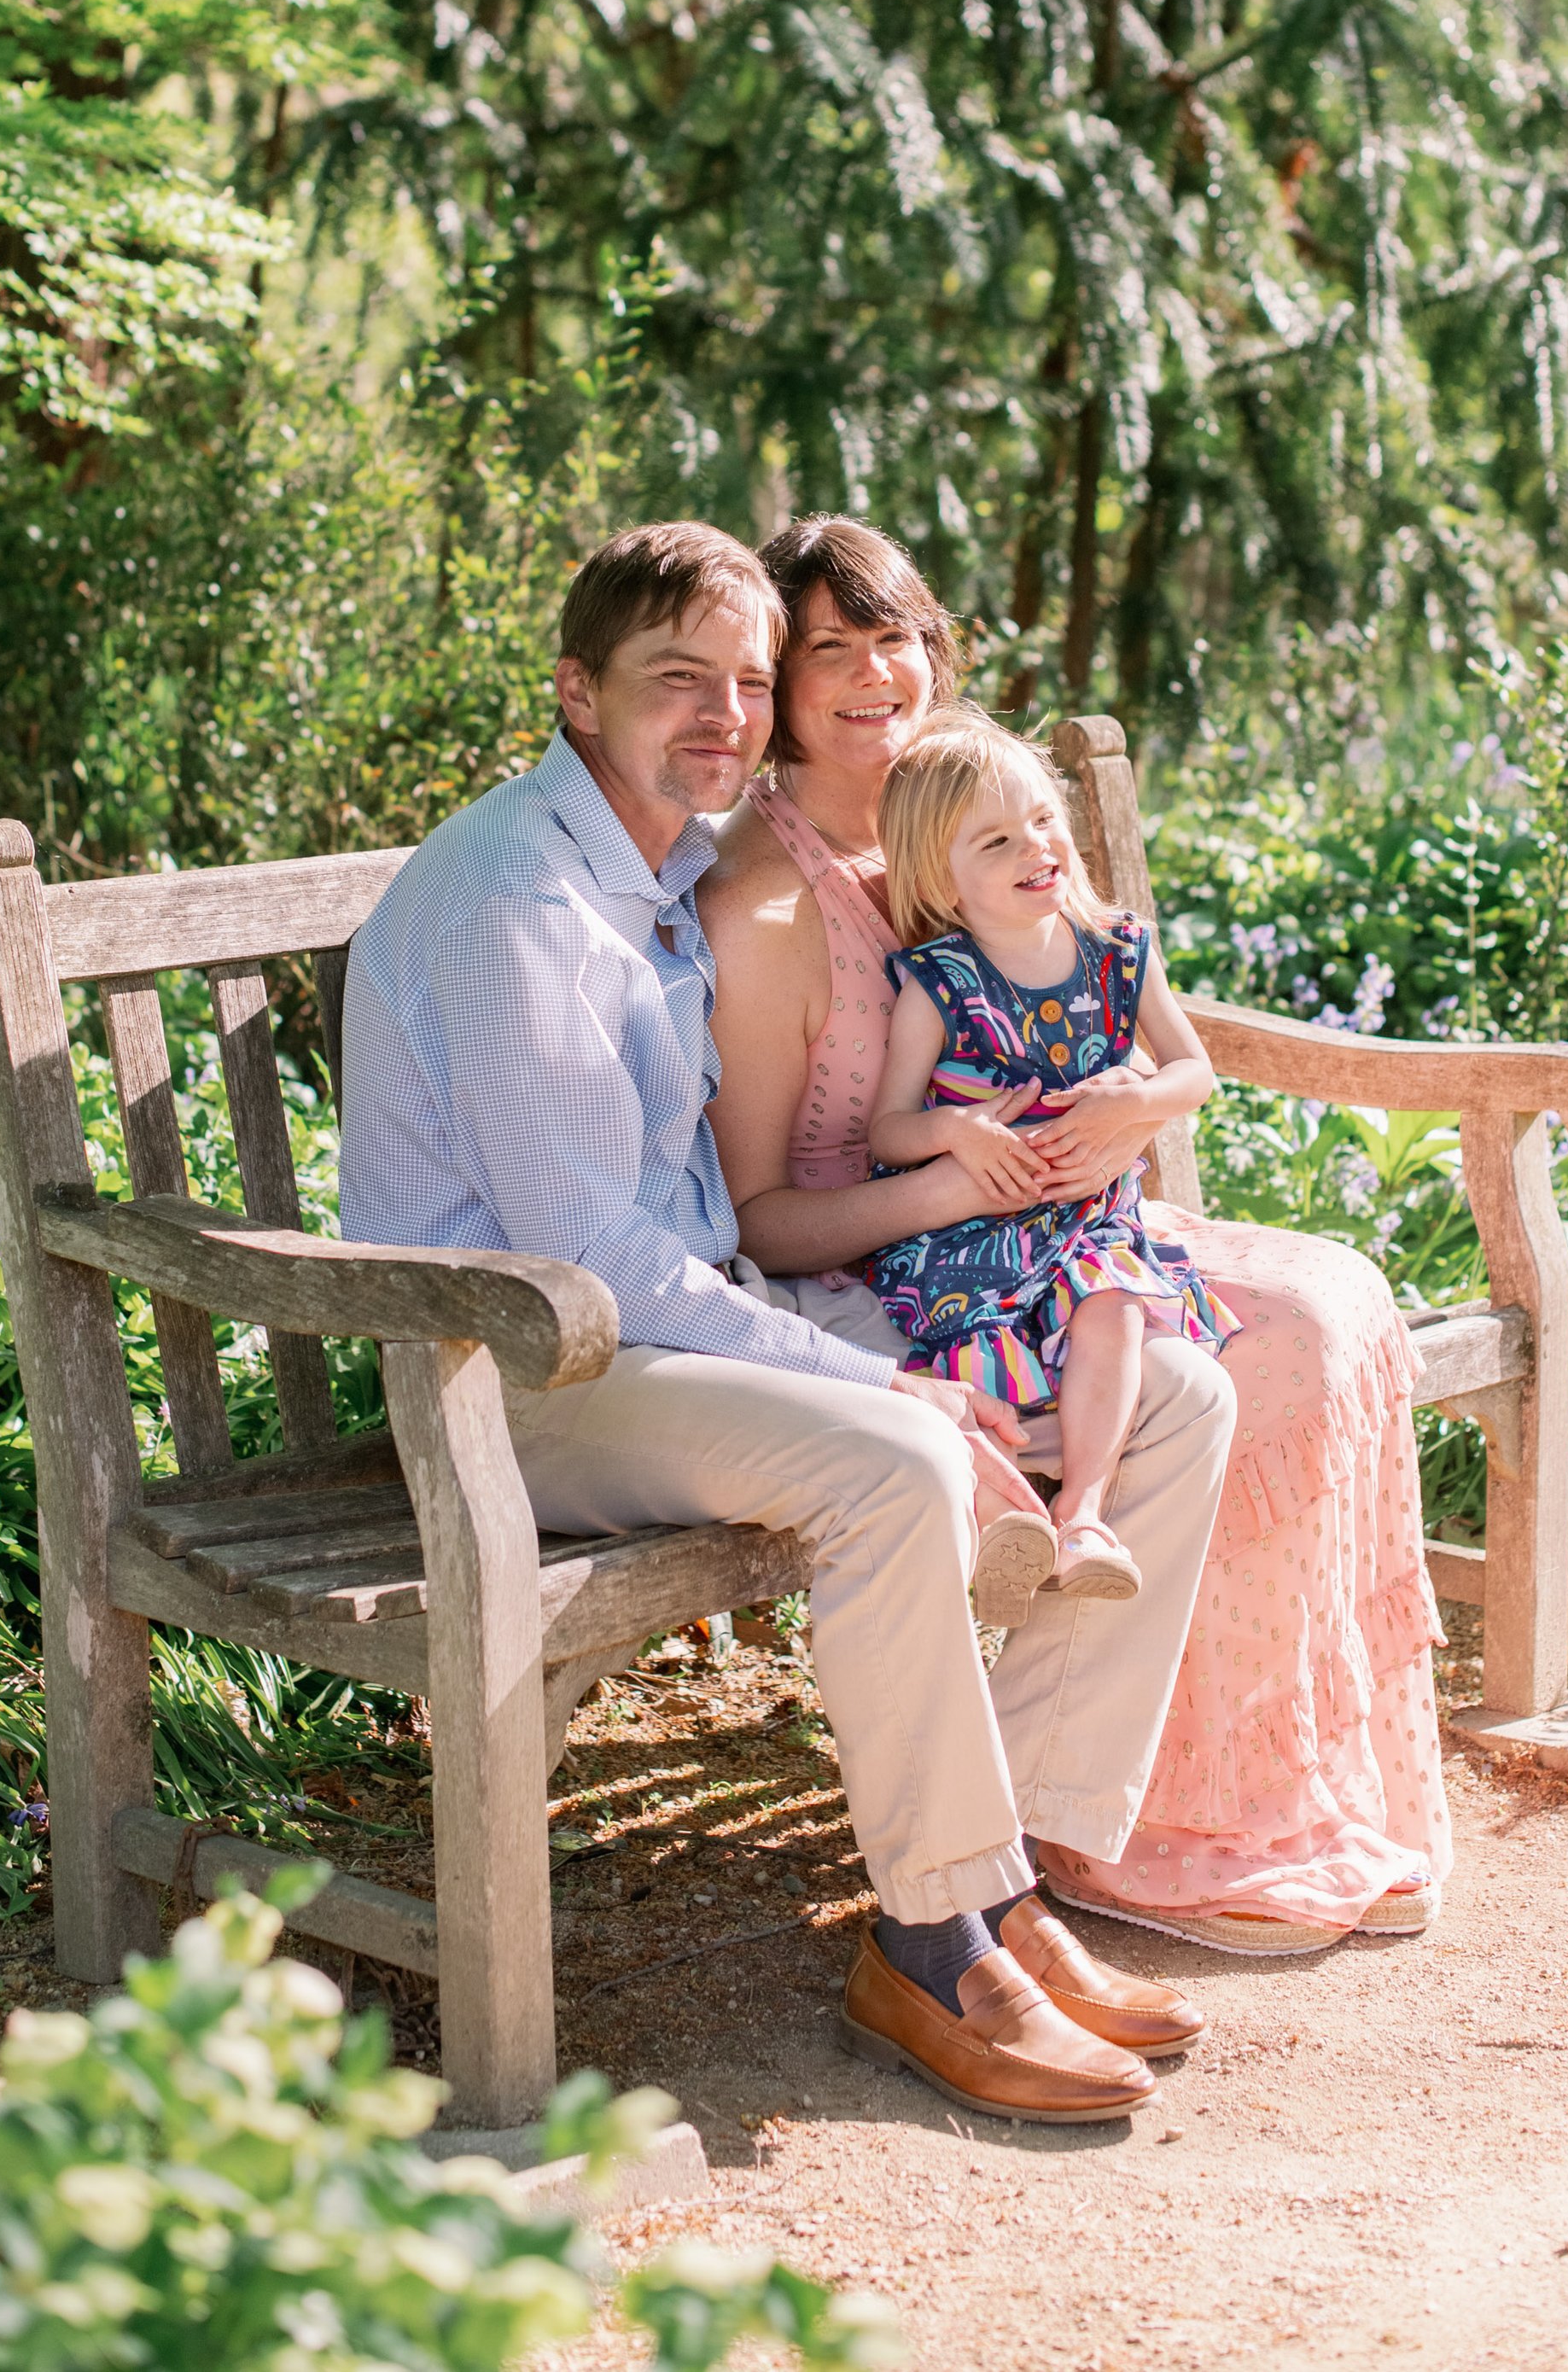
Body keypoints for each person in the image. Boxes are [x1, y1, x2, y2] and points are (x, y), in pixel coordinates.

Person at [338, 519, 1236, 2122]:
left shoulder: (664, 866)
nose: (723, 715)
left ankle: (1006, 1879)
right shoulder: (519, 903)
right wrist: (854, 1371)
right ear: (574, 691)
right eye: (676, 680)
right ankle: (931, 1948)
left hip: (684, 1337)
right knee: (893, 1458)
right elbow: (589, 1263)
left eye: (746, 683)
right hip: (519, 1377)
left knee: (1169, 1390)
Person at [702, 515, 1451, 1955]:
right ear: (773, 686)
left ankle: (1218, 1799)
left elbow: (1141, 1031)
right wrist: (960, 1184)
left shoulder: (975, 825)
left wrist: (1117, 1121)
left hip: (1070, 1232)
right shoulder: (768, 906)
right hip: (905, 1273)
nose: (876, 672)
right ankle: (1137, 1824)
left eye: (898, 634)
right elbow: (766, 1227)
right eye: (829, 651)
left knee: (1337, 1307)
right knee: (1251, 1360)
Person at [865, 707, 1236, 1605]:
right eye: (995, 841)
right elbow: (887, 1130)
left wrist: (1138, 1099)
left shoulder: (1116, 951)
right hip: (975, 1233)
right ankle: (998, 1530)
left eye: (1041, 820)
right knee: (973, 1351)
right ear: (942, 881)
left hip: (1085, 1219)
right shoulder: (940, 982)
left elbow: (1196, 1074)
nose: (1035, 846)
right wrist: (955, 1131)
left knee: (1110, 1308)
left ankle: (1085, 1512)